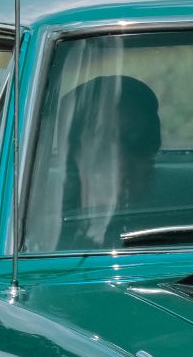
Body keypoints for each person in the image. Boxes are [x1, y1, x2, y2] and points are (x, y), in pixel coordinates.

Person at [51, 73, 163, 250]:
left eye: (137, 142)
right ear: (74, 155)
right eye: (103, 147)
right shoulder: (39, 240)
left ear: (153, 153)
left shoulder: (179, 234)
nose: (120, 161)